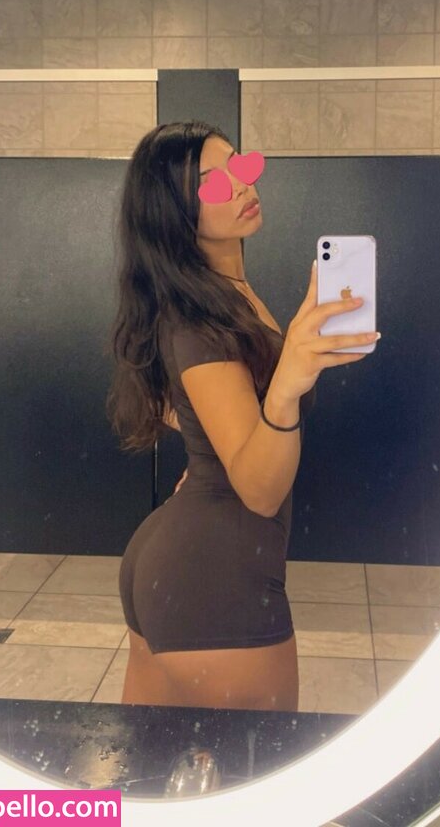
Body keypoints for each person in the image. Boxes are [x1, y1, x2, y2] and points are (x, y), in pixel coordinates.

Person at [106, 120, 379, 711]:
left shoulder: (220, 296)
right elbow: (259, 490)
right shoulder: (199, 321)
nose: (239, 184)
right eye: (210, 182)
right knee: (260, 766)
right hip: (215, 577)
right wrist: (286, 387)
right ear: (172, 212)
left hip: (183, 557)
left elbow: (183, 402)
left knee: (143, 766)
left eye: (240, 165)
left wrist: (213, 444)